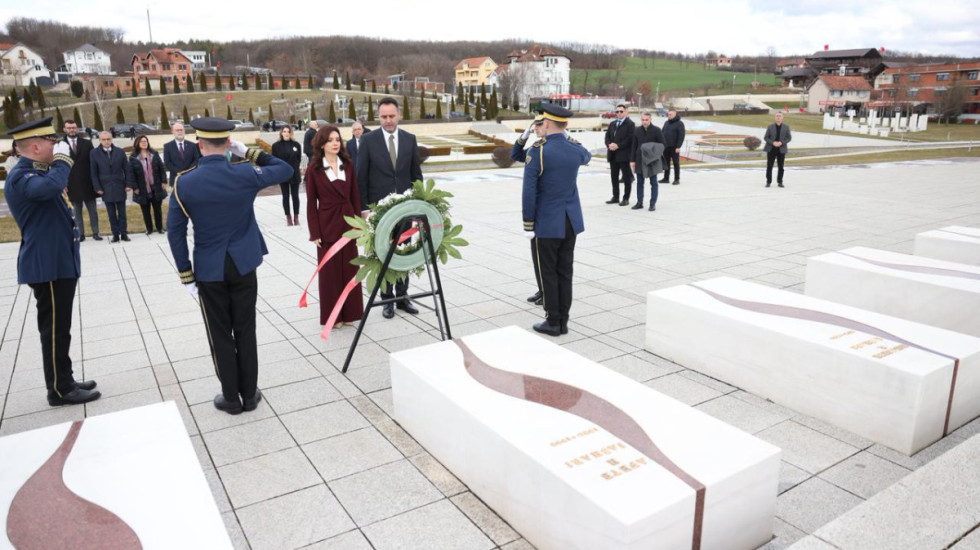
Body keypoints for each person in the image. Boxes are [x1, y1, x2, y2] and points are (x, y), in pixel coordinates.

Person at [166, 117, 292, 415]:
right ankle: (249, 395)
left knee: (220, 332)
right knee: (246, 328)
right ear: (227, 143)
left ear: (199, 144)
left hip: (210, 270)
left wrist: (186, 276)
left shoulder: (184, 182)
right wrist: (247, 151)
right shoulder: (245, 172)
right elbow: (285, 169)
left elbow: (175, 231)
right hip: (243, 264)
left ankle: (230, 397)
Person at [4, 117, 101, 406]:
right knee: (55, 329)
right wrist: (62, 160)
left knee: (62, 327)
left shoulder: (37, 172)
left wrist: (56, 162)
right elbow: (49, 189)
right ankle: (59, 390)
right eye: (50, 142)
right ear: (35, 146)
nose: (55, 146)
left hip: (57, 262)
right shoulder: (23, 176)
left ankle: (65, 378)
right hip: (47, 265)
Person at [522, 104, 591, 336]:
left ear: (547, 123)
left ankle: (553, 321)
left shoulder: (538, 151)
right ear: (565, 125)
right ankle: (563, 320)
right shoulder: (575, 149)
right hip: (570, 221)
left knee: (548, 273)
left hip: (547, 223)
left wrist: (528, 224)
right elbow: (587, 155)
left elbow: (529, 192)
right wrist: (567, 137)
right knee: (565, 271)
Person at [356, 97, 423, 320]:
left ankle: (403, 297)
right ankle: (387, 299)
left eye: (391, 116)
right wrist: (364, 208)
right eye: (383, 117)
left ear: (398, 115)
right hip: (379, 211)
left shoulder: (410, 139)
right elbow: (361, 177)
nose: (388, 120)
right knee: (383, 253)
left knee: (403, 251)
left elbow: (416, 176)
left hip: (405, 209)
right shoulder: (368, 140)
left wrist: (420, 204)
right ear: (379, 117)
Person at [306, 125, 363, 328]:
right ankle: (334, 316)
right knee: (329, 275)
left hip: (348, 223)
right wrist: (315, 232)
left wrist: (359, 224)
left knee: (350, 271)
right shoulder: (314, 169)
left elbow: (355, 196)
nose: (335, 143)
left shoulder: (347, 164)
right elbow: (311, 203)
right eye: (330, 140)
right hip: (327, 225)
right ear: (321, 143)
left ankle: (350, 313)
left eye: (337, 139)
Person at [512, 115, 547, 306]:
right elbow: (516, 155)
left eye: (539, 125)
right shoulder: (536, 147)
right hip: (540, 211)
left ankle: (546, 291)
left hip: (543, 209)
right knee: (537, 256)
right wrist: (524, 136)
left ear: (548, 125)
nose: (536, 128)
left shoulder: (544, 149)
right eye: (534, 125)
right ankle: (542, 289)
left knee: (542, 255)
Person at [62, 119, 101, 241]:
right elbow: (59, 165)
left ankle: (96, 233)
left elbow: (94, 163)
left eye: (73, 127)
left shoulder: (87, 143)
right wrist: (63, 183)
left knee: (93, 211)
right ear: (64, 129)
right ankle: (81, 234)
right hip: (72, 184)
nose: (72, 130)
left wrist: (96, 182)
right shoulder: (60, 145)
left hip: (88, 183)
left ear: (77, 129)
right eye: (69, 128)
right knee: (76, 212)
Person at [89, 131, 130, 242]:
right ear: (100, 140)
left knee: (122, 213)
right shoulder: (94, 153)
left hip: (120, 186)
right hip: (105, 188)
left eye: (108, 139)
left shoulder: (120, 152)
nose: (106, 141)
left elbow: (127, 169)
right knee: (111, 214)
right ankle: (115, 234)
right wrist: (97, 187)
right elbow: (94, 172)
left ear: (111, 139)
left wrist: (128, 184)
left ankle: (124, 234)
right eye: (104, 139)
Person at [128, 134, 167, 235]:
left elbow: (161, 168)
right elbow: (131, 174)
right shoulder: (133, 157)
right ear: (137, 143)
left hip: (156, 186)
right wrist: (135, 187)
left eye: (146, 141)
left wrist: (163, 181)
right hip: (142, 188)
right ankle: (149, 229)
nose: (144, 143)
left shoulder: (154, 153)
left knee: (157, 209)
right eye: (142, 141)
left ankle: (160, 228)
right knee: (145, 210)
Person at [630, 111, 665, 211]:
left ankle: (652, 204)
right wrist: (632, 160)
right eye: (643, 120)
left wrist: (651, 151)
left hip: (652, 160)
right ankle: (639, 202)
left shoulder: (657, 130)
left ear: (650, 119)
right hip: (639, 159)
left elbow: (663, 145)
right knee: (639, 182)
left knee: (653, 182)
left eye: (646, 120)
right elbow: (634, 146)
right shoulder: (637, 130)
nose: (644, 122)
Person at [604, 104, 635, 206]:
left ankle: (626, 198)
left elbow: (630, 139)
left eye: (621, 111)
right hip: (613, 154)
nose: (619, 113)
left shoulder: (630, 124)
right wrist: (609, 144)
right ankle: (615, 197)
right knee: (614, 177)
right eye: (617, 112)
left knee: (626, 178)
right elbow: (607, 136)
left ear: (626, 112)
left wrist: (618, 145)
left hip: (624, 155)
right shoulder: (612, 124)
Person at [272, 126, 302, 225]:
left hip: (294, 174)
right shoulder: (276, 146)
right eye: (284, 131)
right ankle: (288, 217)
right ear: (281, 133)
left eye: (288, 131)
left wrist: (295, 168)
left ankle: (296, 217)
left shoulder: (296, 144)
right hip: (283, 174)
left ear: (291, 133)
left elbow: (299, 159)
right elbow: (274, 161)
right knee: (285, 196)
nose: (286, 133)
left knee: (295, 196)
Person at [163, 122, 202, 186]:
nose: (180, 132)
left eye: (181, 130)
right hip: (176, 179)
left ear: (184, 131)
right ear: (172, 131)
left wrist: (187, 171)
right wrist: (179, 172)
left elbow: (196, 159)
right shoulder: (167, 146)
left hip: (191, 178)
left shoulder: (192, 145)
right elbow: (167, 162)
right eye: (177, 130)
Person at [764, 112, 792, 188]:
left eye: (780, 116)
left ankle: (780, 182)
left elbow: (789, 138)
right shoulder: (770, 126)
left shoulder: (786, 127)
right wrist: (773, 143)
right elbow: (766, 137)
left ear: (782, 117)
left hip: (781, 149)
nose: (778, 117)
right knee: (769, 166)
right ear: (775, 117)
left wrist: (781, 142)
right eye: (777, 116)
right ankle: (768, 182)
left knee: (781, 166)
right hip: (771, 148)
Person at [661, 109, 685, 185]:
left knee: (676, 163)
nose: (669, 116)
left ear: (675, 114)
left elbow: (681, 136)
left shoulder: (680, 123)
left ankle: (676, 179)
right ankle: (666, 178)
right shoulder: (666, 123)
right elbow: (662, 133)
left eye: (670, 114)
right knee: (666, 163)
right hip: (666, 146)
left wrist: (678, 146)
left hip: (674, 147)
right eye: (668, 114)